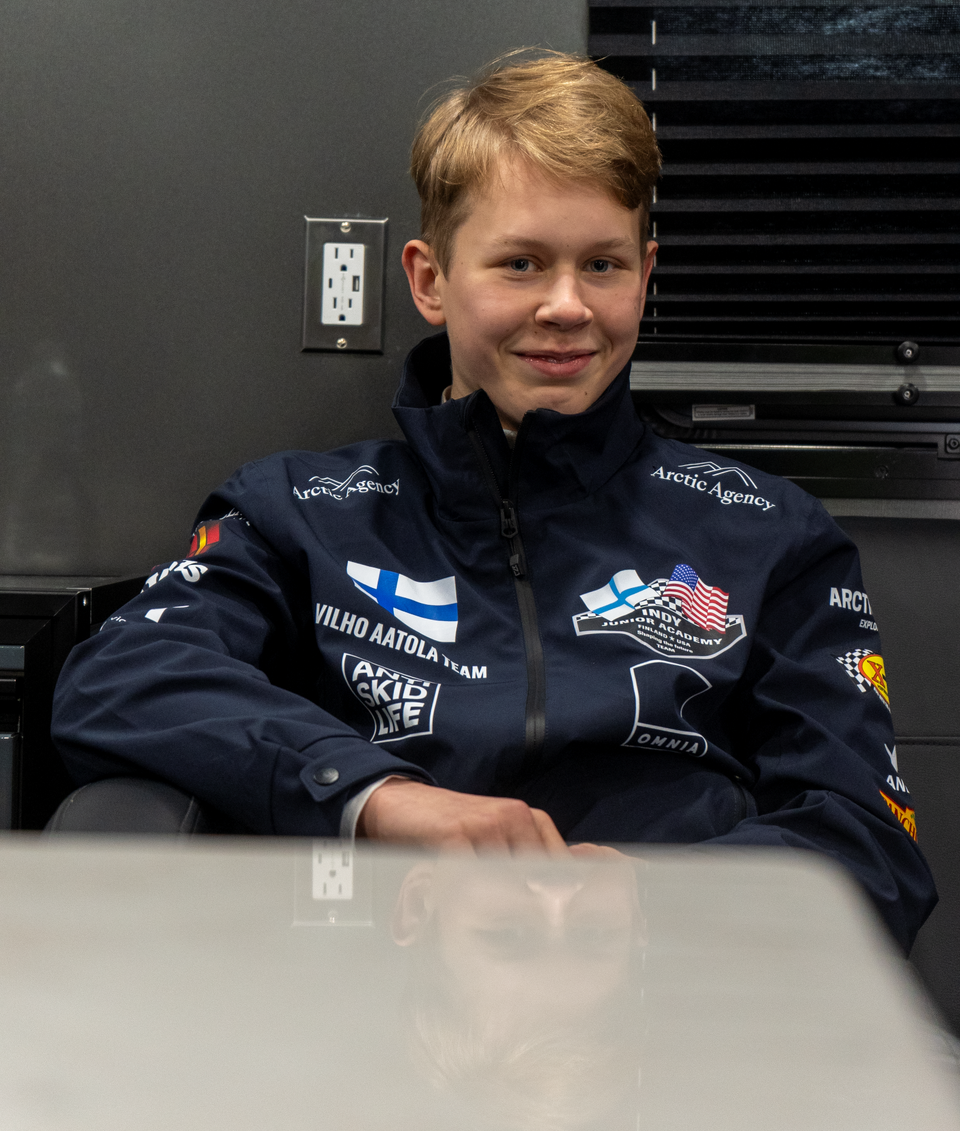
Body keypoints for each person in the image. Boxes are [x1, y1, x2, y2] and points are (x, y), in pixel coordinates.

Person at [52, 52, 935, 949]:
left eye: (602, 264)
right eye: (521, 264)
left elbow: (871, 850)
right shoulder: (299, 512)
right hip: (378, 989)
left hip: (674, 991)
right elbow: (121, 680)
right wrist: (379, 797)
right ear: (430, 280)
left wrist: (651, 897)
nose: (567, 306)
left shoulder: (773, 536)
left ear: (646, 274)